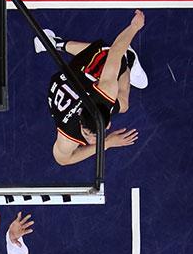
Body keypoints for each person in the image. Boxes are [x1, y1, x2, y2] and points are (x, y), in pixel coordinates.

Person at [39, 9, 148, 166]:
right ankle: (56, 43)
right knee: (121, 101)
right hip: (70, 79)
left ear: (107, 125)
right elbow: (62, 160)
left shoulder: (104, 92)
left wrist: (134, 26)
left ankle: (128, 58)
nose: (91, 140)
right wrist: (106, 143)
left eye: (95, 136)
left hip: (73, 77)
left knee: (108, 57)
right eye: (89, 134)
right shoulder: (68, 136)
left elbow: (116, 51)